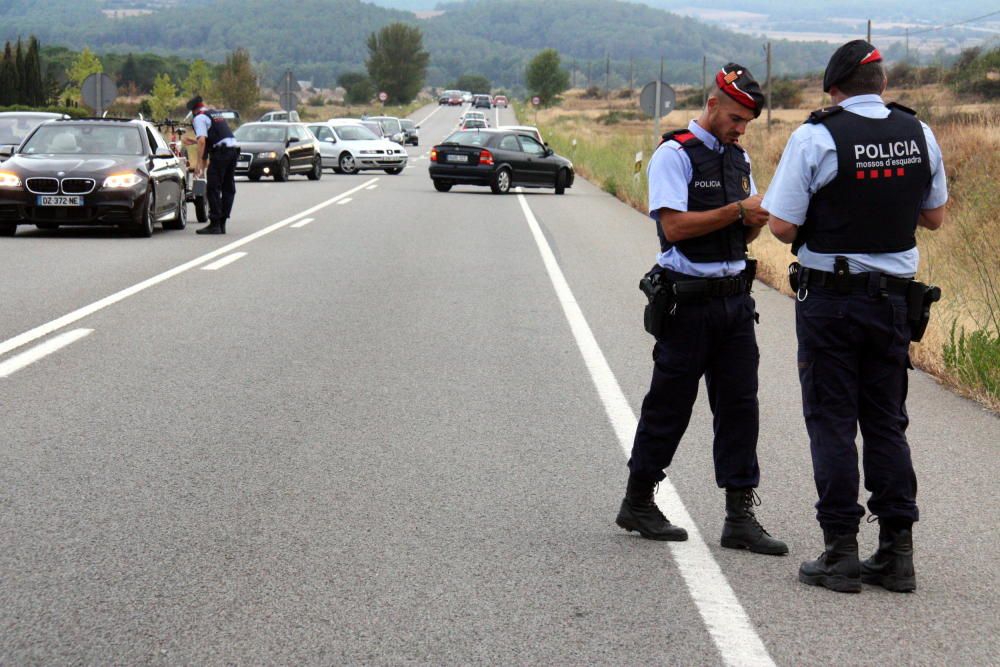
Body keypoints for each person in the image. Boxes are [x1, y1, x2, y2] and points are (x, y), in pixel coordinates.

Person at [764, 40, 948, 593]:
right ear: (883, 86)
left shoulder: (816, 135)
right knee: (886, 423)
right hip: (894, 300)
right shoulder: (920, 133)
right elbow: (934, 217)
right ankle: (897, 553)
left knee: (832, 421)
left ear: (833, 88)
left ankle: (840, 551)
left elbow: (781, 227)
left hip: (831, 301)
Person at [616, 63, 787, 557]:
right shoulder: (674, 155)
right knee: (669, 406)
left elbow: (742, 234)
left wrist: (754, 219)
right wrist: (738, 210)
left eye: (747, 122)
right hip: (686, 302)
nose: (740, 129)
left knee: (740, 409)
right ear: (713, 105)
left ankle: (739, 517)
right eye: (735, 118)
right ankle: (638, 500)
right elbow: (674, 228)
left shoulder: (740, 159)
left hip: (735, 300)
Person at [184, 96, 238, 234]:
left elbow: (202, 141)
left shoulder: (199, 118)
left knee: (213, 187)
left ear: (193, 111)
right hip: (232, 150)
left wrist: (198, 165)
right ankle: (222, 222)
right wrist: (196, 143)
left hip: (221, 153)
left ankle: (215, 223)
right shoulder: (214, 113)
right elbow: (214, 137)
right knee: (228, 187)